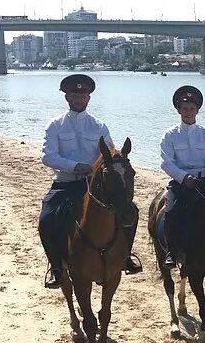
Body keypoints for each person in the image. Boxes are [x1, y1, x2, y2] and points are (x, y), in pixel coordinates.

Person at [39, 74, 142, 288]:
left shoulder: (99, 126)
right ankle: (57, 267)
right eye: (75, 94)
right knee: (47, 218)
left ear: (88, 98)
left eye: (83, 94)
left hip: (93, 184)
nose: (79, 98)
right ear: (67, 97)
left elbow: (111, 154)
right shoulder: (55, 125)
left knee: (130, 211)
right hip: (66, 183)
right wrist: (76, 166)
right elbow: (48, 156)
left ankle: (125, 257)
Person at [159, 85, 205, 269]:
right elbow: (166, 163)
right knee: (171, 210)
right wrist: (183, 177)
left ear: (197, 111)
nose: (188, 112)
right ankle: (171, 250)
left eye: (192, 109)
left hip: (204, 180)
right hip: (181, 182)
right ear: (179, 110)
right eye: (185, 108)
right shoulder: (169, 135)